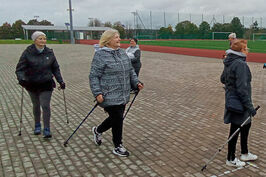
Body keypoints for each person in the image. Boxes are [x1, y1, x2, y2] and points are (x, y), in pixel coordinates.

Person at [89, 29, 144, 157]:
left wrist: (136, 83)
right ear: (108, 40)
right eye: (116, 37)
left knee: (115, 118)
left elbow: (130, 71)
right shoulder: (100, 55)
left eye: (119, 37)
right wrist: (97, 93)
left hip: (123, 93)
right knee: (118, 118)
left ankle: (97, 130)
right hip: (109, 94)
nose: (119, 39)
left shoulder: (122, 53)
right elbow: (93, 76)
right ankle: (118, 145)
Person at [15, 31, 65, 138]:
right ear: (35, 40)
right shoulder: (27, 52)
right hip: (32, 84)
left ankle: (46, 128)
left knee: (45, 105)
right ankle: (37, 124)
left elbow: (55, 68)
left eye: (44, 38)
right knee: (36, 105)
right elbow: (19, 69)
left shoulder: (49, 52)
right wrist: (22, 79)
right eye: (40, 38)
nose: (43, 41)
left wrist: (60, 81)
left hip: (46, 83)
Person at [220, 39, 257, 167]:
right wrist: (250, 107)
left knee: (246, 125)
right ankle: (230, 158)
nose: (248, 50)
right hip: (239, 102)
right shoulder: (240, 64)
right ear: (241, 50)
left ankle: (245, 153)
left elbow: (223, 79)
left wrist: (230, 87)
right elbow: (242, 89)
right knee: (235, 129)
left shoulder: (229, 61)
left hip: (234, 99)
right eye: (246, 48)